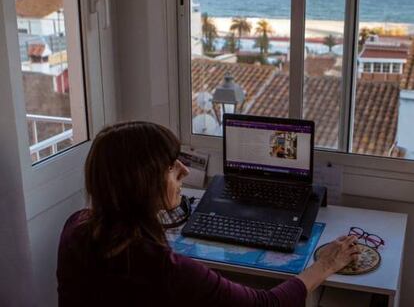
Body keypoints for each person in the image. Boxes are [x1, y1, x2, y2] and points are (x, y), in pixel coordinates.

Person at [57, 121, 359, 307]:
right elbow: (267, 304)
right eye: (171, 166)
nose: (185, 170)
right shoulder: (164, 269)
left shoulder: (76, 227)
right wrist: (326, 264)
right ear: (142, 182)